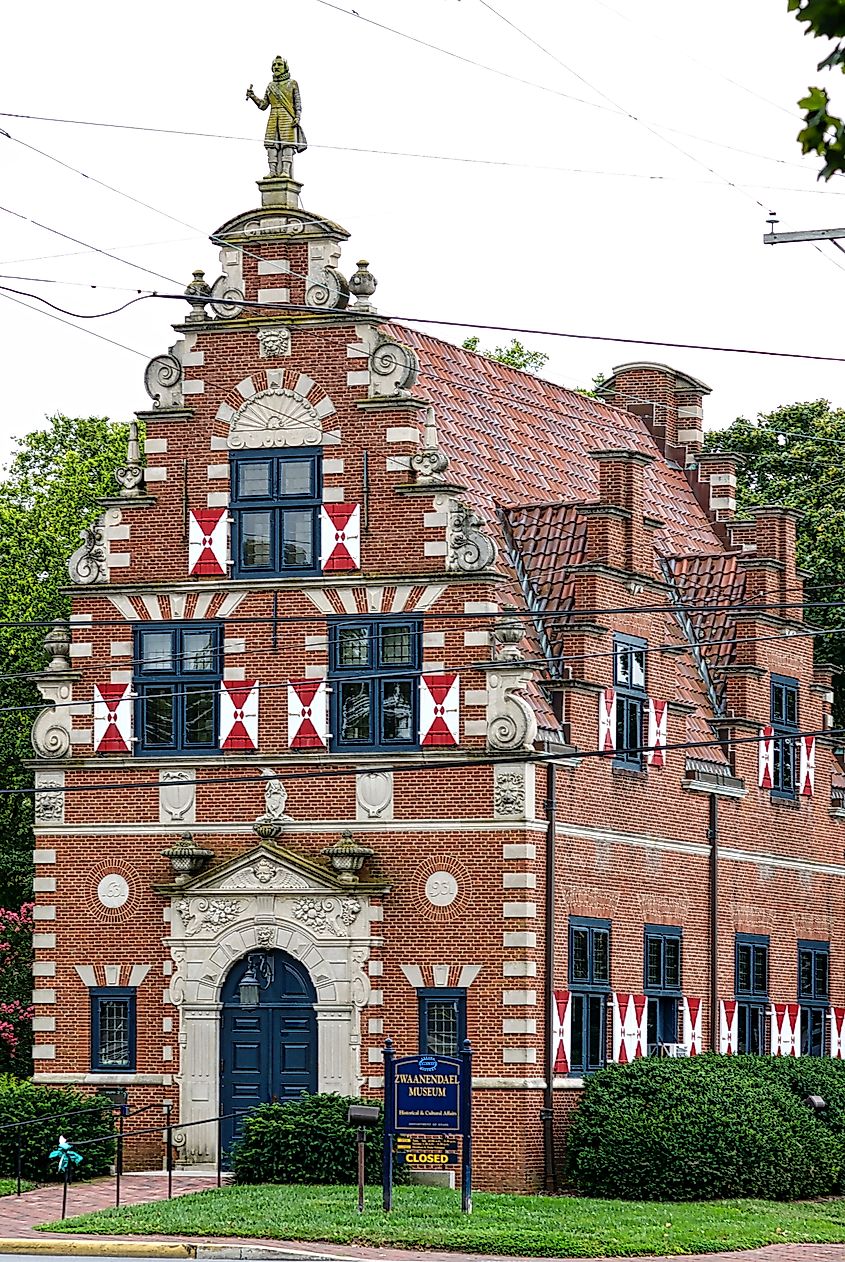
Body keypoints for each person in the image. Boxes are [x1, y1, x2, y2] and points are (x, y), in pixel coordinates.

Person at [246, 56, 307, 178]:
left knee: (287, 144)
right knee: (271, 144)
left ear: (285, 67)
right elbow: (263, 105)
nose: (276, 67)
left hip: (287, 117)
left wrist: (297, 117)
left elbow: (298, 103)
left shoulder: (292, 83)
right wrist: (253, 96)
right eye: (274, 65)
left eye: (279, 65)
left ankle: (285, 170)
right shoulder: (270, 86)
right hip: (273, 116)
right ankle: (272, 171)